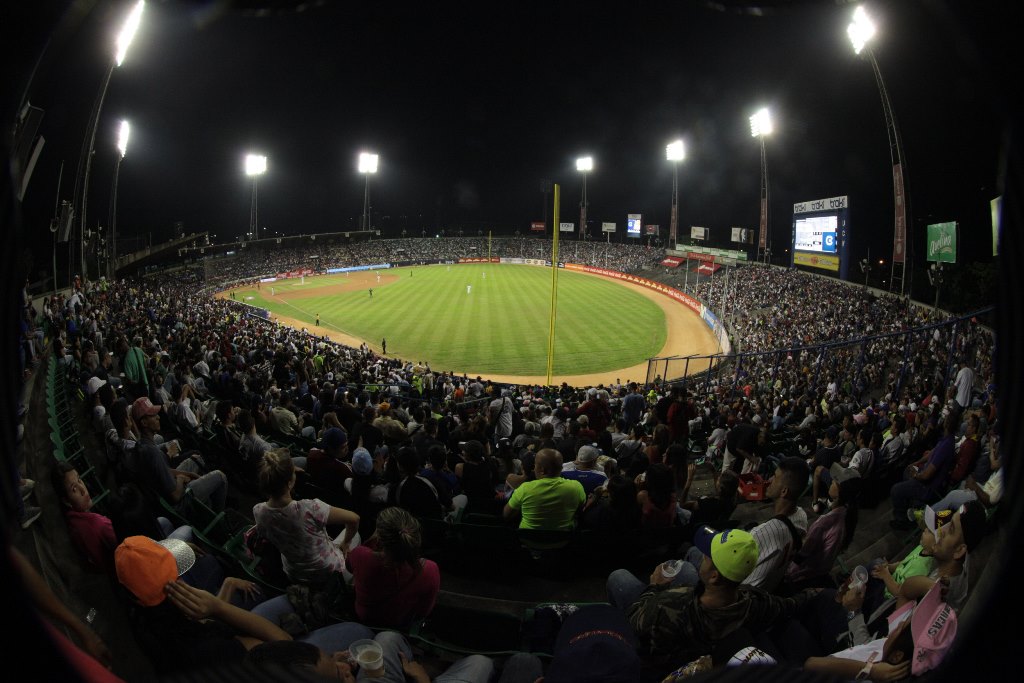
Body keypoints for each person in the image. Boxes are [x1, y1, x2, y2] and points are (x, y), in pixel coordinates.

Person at [607, 526, 818, 665]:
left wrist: (653, 587)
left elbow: (633, 620)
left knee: (619, 577)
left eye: (708, 557)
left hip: (664, 655)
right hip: (703, 639)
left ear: (715, 576)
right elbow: (790, 604)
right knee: (689, 564)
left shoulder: (667, 608)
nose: (704, 558)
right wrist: (817, 592)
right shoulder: (756, 602)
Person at [252, 449, 360, 587]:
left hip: (294, 572)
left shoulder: (258, 511)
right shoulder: (310, 508)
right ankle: (350, 583)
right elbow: (354, 518)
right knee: (355, 535)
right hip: (326, 570)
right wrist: (345, 543)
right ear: (290, 483)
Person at [346, 507, 441, 628]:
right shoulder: (430, 570)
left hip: (365, 617)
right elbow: (423, 611)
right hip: (400, 623)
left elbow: (349, 567)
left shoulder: (360, 555)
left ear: (379, 538)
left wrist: (371, 542)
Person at [742, 456, 809, 592]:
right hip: (772, 587)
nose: (770, 480)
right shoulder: (802, 516)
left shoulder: (761, 533)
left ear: (784, 491)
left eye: (775, 477)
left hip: (747, 598)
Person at [503, 448, 585, 531]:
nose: (534, 469)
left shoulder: (524, 488)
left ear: (542, 470)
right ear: (561, 468)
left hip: (528, 541)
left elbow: (506, 515)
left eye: (535, 465)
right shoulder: (576, 487)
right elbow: (580, 509)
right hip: (563, 541)